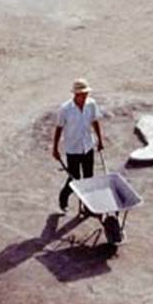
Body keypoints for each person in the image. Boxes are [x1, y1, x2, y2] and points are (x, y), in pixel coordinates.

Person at [52, 78, 105, 213]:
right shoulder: (65, 109)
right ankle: (63, 198)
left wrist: (100, 140)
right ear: (76, 94)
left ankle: (88, 207)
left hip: (88, 146)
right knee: (74, 178)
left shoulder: (91, 104)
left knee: (88, 178)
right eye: (83, 93)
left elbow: (95, 121)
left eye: (86, 93)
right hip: (73, 149)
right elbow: (59, 128)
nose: (86, 96)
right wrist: (55, 148)